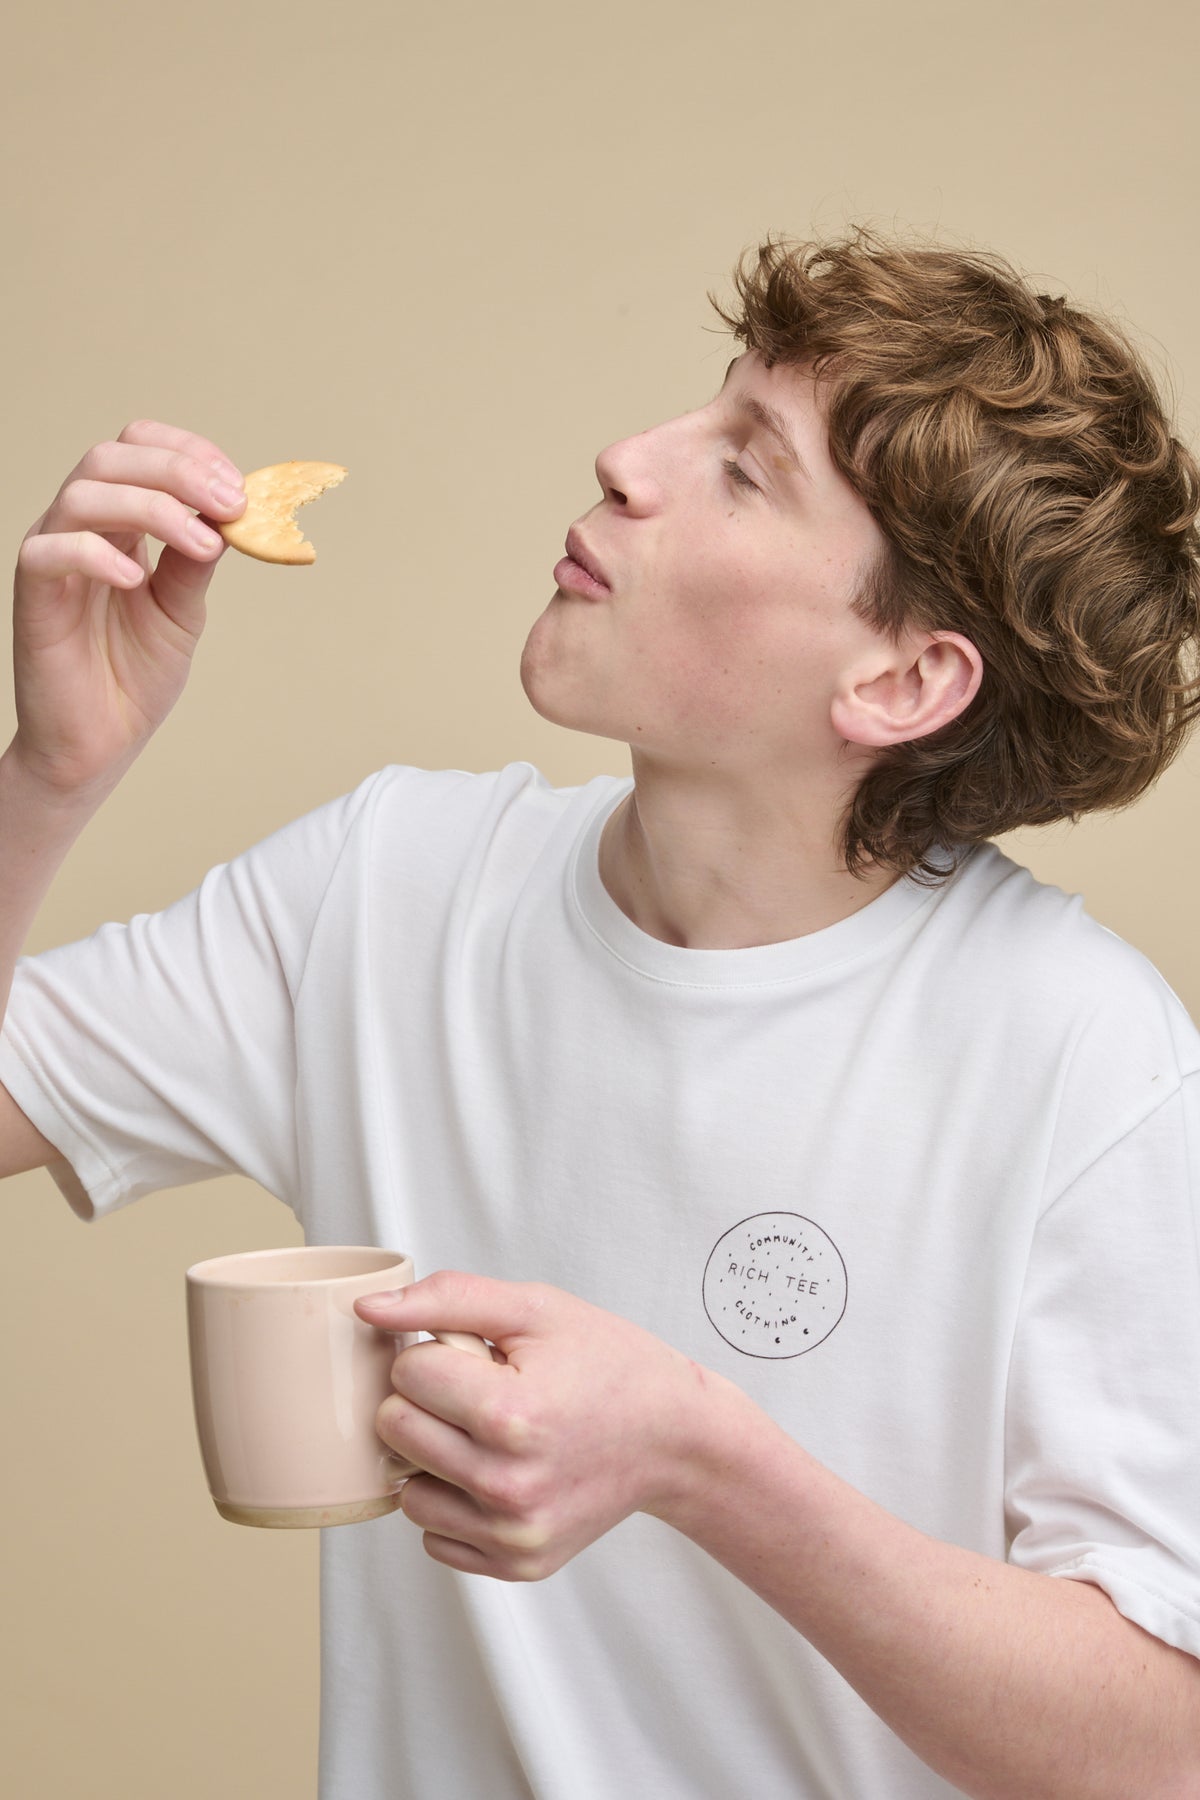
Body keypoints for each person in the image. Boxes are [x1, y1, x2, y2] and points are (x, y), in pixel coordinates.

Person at [2, 227, 1199, 1800]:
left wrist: (704, 1460)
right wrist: (49, 775)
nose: (627, 458)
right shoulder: (387, 884)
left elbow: (1161, 1747)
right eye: (702, 412)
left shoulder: (1081, 1054)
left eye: (744, 468)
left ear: (902, 684)